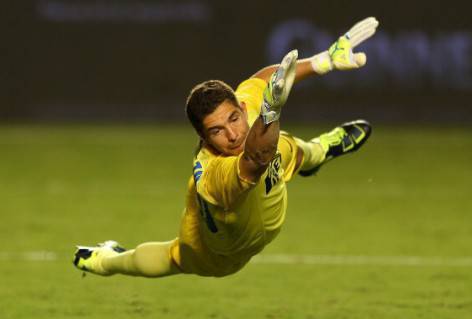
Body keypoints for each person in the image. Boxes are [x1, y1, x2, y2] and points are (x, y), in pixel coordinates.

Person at [73, 17, 379, 278]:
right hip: (222, 251)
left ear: (241, 107)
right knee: (173, 257)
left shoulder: (247, 107)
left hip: (265, 193)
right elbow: (256, 158)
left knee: (285, 146)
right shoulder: (215, 173)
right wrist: (271, 113)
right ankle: (106, 260)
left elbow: (262, 80)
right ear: (204, 140)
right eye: (217, 131)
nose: (232, 134)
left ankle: (320, 152)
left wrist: (322, 61)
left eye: (234, 118)